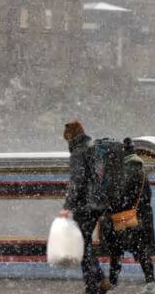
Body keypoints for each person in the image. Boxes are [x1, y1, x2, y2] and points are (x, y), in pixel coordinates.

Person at [59, 120, 111, 294]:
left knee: (81, 245)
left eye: (66, 138)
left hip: (85, 206)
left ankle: (95, 284)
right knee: (85, 243)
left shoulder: (78, 153)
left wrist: (67, 205)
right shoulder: (93, 150)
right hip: (98, 204)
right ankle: (98, 281)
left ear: (70, 136)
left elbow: (77, 181)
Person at [100, 137, 155, 294]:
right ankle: (150, 283)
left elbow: (120, 197)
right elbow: (146, 196)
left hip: (125, 219)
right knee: (142, 252)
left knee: (116, 252)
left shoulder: (125, 172)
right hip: (139, 218)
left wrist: (110, 209)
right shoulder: (141, 171)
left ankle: (112, 284)